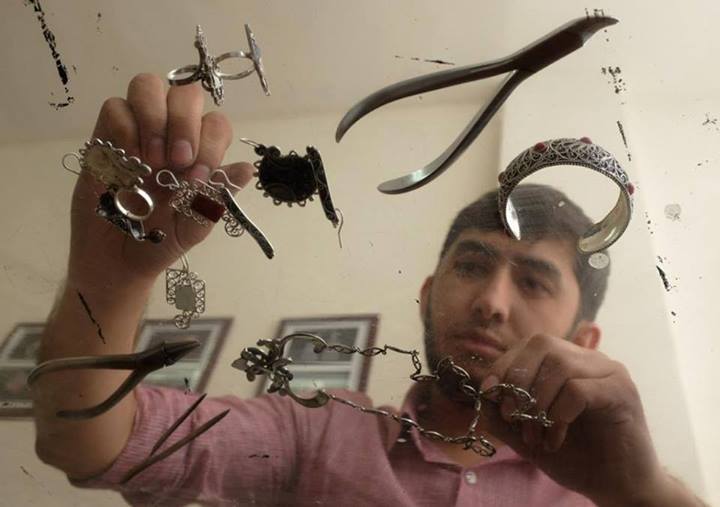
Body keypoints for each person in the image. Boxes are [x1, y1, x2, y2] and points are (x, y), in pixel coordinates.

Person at [32, 73, 704, 506]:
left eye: (532, 281)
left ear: (585, 339)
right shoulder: (318, 431)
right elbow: (87, 444)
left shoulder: (606, 488)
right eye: (472, 265)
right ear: (426, 295)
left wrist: (644, 493)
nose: (492, 301)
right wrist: (109, 278)